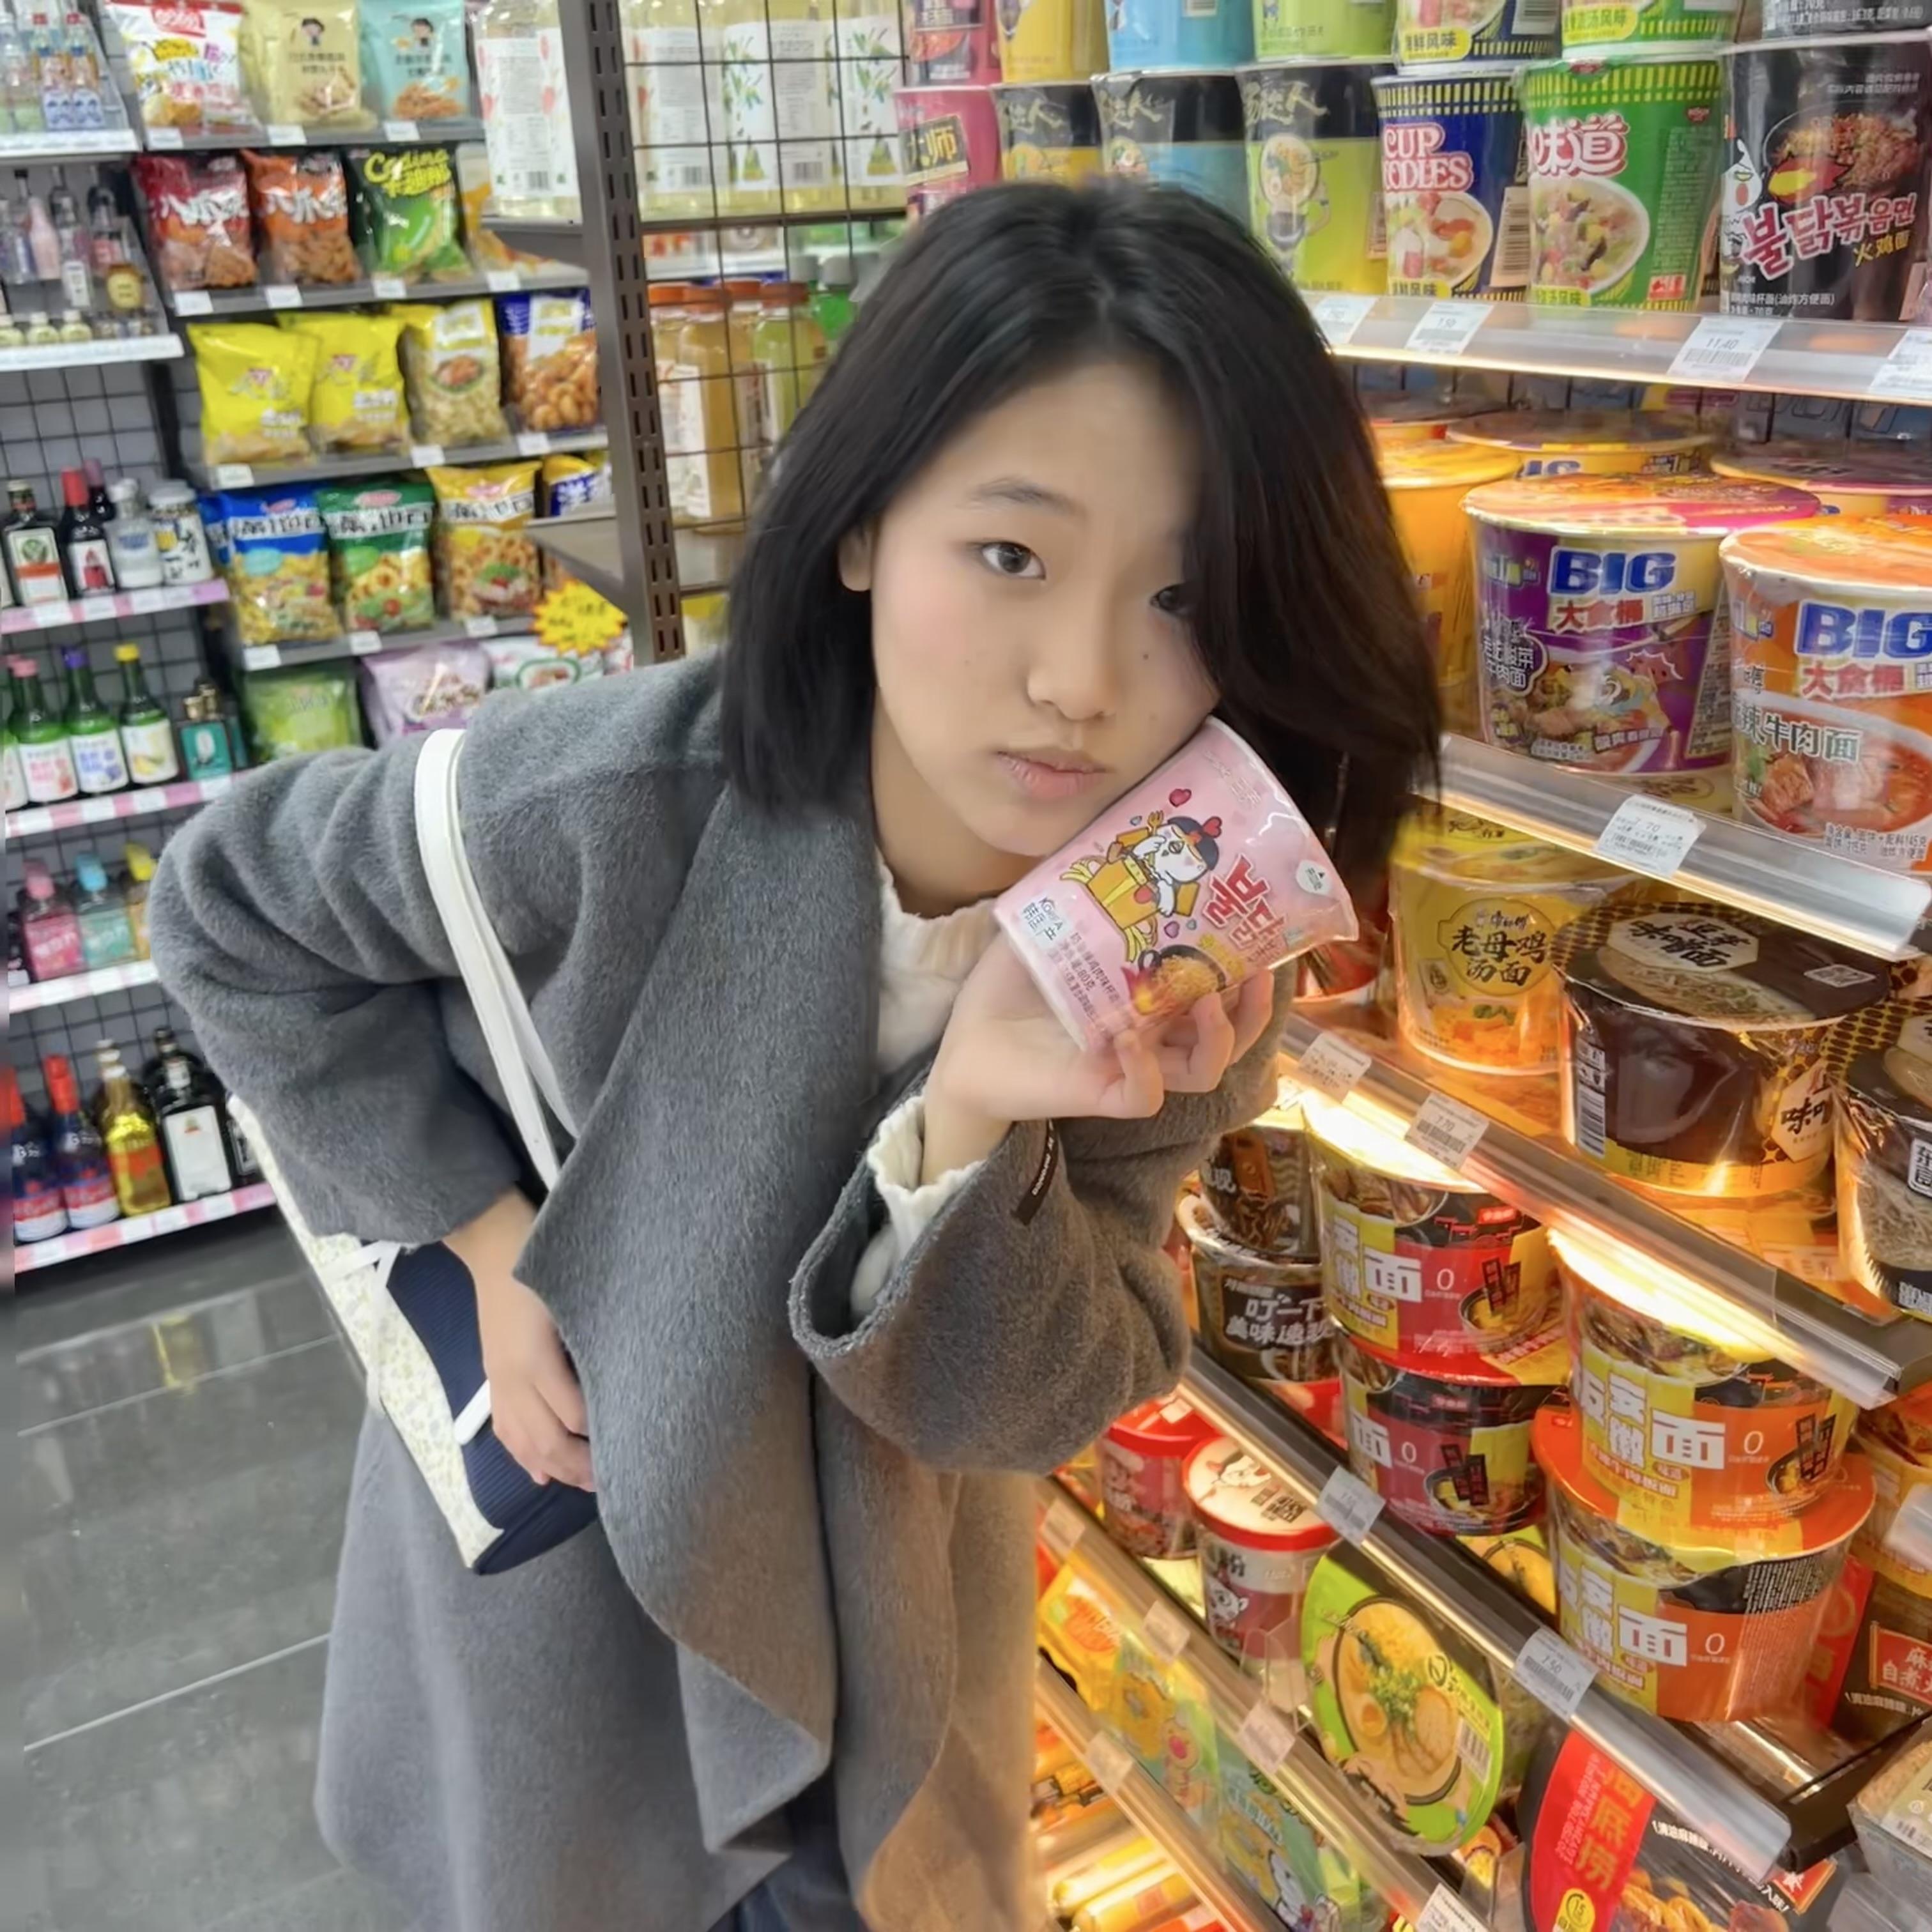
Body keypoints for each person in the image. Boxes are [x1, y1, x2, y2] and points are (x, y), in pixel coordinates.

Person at [149, 181, 1436, 1932]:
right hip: (580, 1616)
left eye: (1184, 594)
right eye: (1012, 556)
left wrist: (969, 1126)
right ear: (862, 528)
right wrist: (485, 1234)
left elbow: (1028, 1402)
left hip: (884, 1641)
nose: (1082, 681)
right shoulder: (599, 806)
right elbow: (228, 906)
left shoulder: (1177, 935)